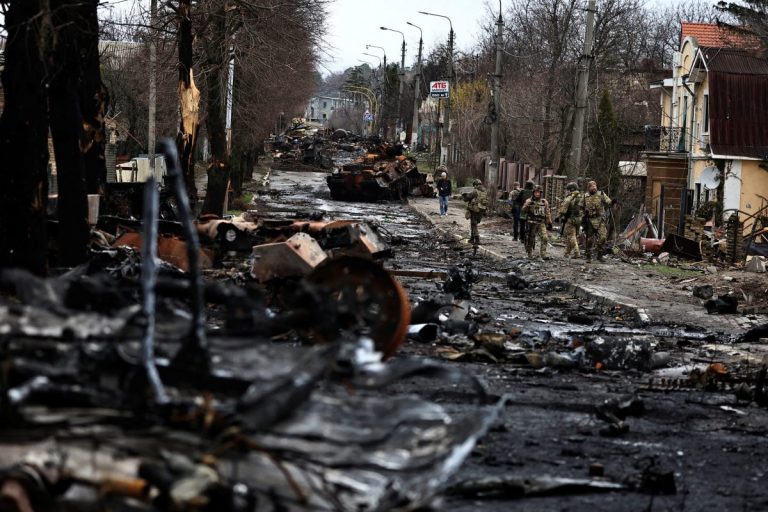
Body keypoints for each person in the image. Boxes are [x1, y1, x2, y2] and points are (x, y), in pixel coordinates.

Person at [582, 180, 613, 262]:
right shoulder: (585, 196)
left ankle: (599, 254)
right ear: (589, 188)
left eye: (595, 186)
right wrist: (583, 216)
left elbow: (608, 202)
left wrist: (613, 202)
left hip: (600, 220)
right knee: (590, 240)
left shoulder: (601, 194)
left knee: (603, 237)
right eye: (592, 186)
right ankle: (588, 256)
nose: (594, 188)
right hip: (590, 220)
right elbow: (580, 207)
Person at [522, 185, 552, 260]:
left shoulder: (544, 202)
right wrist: (526, 206)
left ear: (541, 193)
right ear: (533, 193)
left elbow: (547, 212)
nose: (537, 194)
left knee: (545, 238)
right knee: (530, 239)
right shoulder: (529, 201)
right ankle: (529, 253)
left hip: (541, 222)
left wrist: (549, 222)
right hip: (532, 222)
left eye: (538, 192)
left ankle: (543, 254)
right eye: (536, 192)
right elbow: (523, 211)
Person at [556, 182, 584, 259]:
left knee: (571, 236)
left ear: (571, 189)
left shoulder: (570, 197)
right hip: (579, 219)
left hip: (570, 219)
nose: (567, 191)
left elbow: (563, 210)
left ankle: (577, 252)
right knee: (572, 236)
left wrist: (558, 217)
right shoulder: (581, 196)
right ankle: (567, 253)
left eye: (567, 190)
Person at [462, 178, 488, 248]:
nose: (474, 187)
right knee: (474, 223)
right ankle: (472, 238)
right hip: (482, 210)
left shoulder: (475, 191)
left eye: (474, 185)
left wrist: (464, 195)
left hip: (475, 209)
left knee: (474, 224)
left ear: (476, 185)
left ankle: (477, 239)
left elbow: (467, 198)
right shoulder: (485, 191)